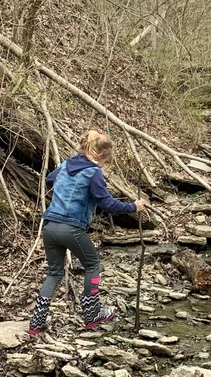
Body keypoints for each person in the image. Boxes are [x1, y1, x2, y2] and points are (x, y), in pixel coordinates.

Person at [28, 130, 143, 334]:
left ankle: (36, 323)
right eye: (105, 162)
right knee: (93, 265)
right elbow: (106, 202)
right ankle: (92, 314)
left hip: (49, 227)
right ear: (99, 155)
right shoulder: (93, 172)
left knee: (54, 272)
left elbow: (50, 178)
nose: (103, 166)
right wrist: (132, 207)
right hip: (71, 228)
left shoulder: (65, 165)